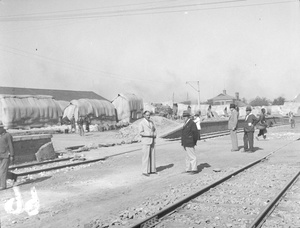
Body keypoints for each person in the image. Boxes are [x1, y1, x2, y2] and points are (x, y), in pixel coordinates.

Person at [139, 111, 157, 177]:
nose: (148, 116)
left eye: (149, 115)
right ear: (144, 115)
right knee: (145, 157)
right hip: (146, 141)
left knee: (152, 156)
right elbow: (141, 132)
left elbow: (154, 130)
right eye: (147, 115)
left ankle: (152, 170)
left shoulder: (151, 122)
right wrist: (149, 134)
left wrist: (154, 135)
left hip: (152, 140)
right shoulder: (141, 123)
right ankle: (145, 171)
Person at [0, 123, 17, 190]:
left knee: (2, 171)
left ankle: (3, 185)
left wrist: (12, 155)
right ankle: (13, 176)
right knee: (2, 171)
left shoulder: (7, 135)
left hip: (6, 155)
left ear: (2, 128)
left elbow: (11, 145)